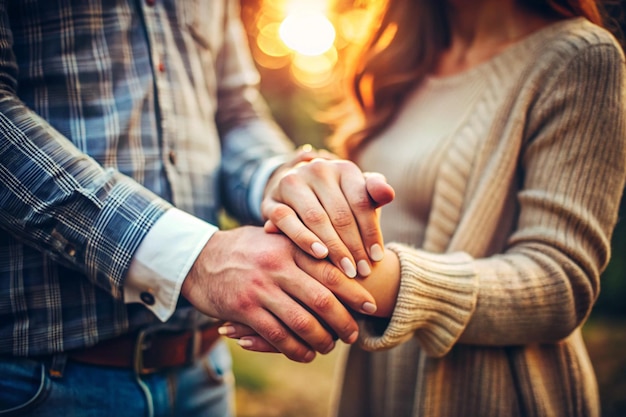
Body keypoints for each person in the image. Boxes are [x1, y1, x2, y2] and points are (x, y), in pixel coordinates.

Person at [222, 0, 626, 416]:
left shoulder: (579, 57)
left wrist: (331, 276)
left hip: (495, 394)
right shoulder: (401, 60)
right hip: (381, 382)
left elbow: (560, 284)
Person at [0, 1, 395, 416]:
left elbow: (234, 113)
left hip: (203, 374)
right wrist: (195, 260)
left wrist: (282, 181)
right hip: (38, 382)